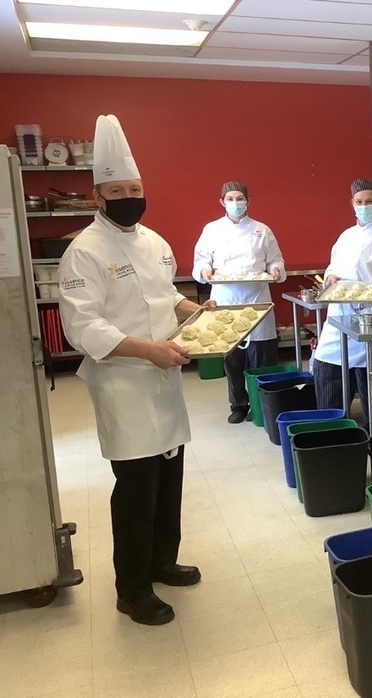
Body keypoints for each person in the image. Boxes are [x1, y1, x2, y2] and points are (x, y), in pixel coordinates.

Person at [58, 115, 208, 626]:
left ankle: (163, 561)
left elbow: (164, 297)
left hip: (164, 380)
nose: (129, 197)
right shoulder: (84, 251)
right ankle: (133, 589)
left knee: (169, 479)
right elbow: (83, 327)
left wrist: (197, 312)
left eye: (135, 189)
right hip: (123, 383)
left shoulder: (155, 243)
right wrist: (148, 351)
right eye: (117, 191)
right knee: (136, 490)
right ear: (98, 196)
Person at [312, 178, 372, 425]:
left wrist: (366, 294)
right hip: (338, 318)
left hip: (370, 319)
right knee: (326, 370)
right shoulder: (346, 236)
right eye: (359, 202)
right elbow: (332, 267)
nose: (364, 206)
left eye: (369, 201)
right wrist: (330, 278)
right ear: (352, 203)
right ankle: (332, 430)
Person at [193, 182, 286, 423]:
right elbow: (201, 260)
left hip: (257, 299)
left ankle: (262, 405)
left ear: (248, 201)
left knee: (262, 358)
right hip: (226, 300)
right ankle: (238, 405)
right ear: (222, 202)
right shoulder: (211, 230)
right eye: (230, 198)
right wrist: (204, 271)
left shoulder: (262, 230)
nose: (236, 203)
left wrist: (275, 270)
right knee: (232, 359)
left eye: (240, 198)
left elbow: (275, 260)